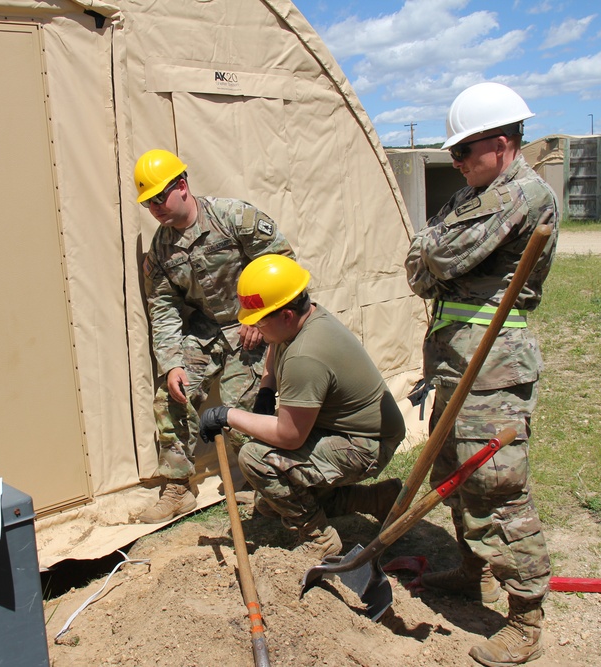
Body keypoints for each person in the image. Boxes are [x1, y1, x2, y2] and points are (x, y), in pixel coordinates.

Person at [405, 82, 558, 667]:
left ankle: (525, 617)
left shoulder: (523, 195)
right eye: (454, 155)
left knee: (496, 485)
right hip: (453, 359)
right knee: (453, 474)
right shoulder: (477, 194)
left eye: (463, 153)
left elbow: (435, 258)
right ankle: (476, 569)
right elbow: (419, 260)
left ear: (498, 143)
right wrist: (430, 251)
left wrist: (430, 251)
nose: (457, 163)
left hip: (491, 366)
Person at [198, 254, 406, 559]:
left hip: (366, 445)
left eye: (259, 320)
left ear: (285, 316)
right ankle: (376, 499)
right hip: (345, 428)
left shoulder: (305, 355)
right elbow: (275, 345)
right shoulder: (303, 316)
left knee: (256, 458)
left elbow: (290, 436)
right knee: (271, 503)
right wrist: (267, 389)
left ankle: (319, 537)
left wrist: (227, 414)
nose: (254, 328)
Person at [134, 149, 296, 524]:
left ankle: (264, 486)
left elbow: (281, 261)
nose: (155, 207)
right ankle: (177, 488)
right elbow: (163, 308)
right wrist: (172, 362)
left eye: (160, 196)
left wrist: (261, 316)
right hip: (208, 331)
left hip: (254, 326)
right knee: (170, 394)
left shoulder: (233, 217)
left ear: (183, 186)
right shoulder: (160, 249)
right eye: (148, 202)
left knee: (246, 406)